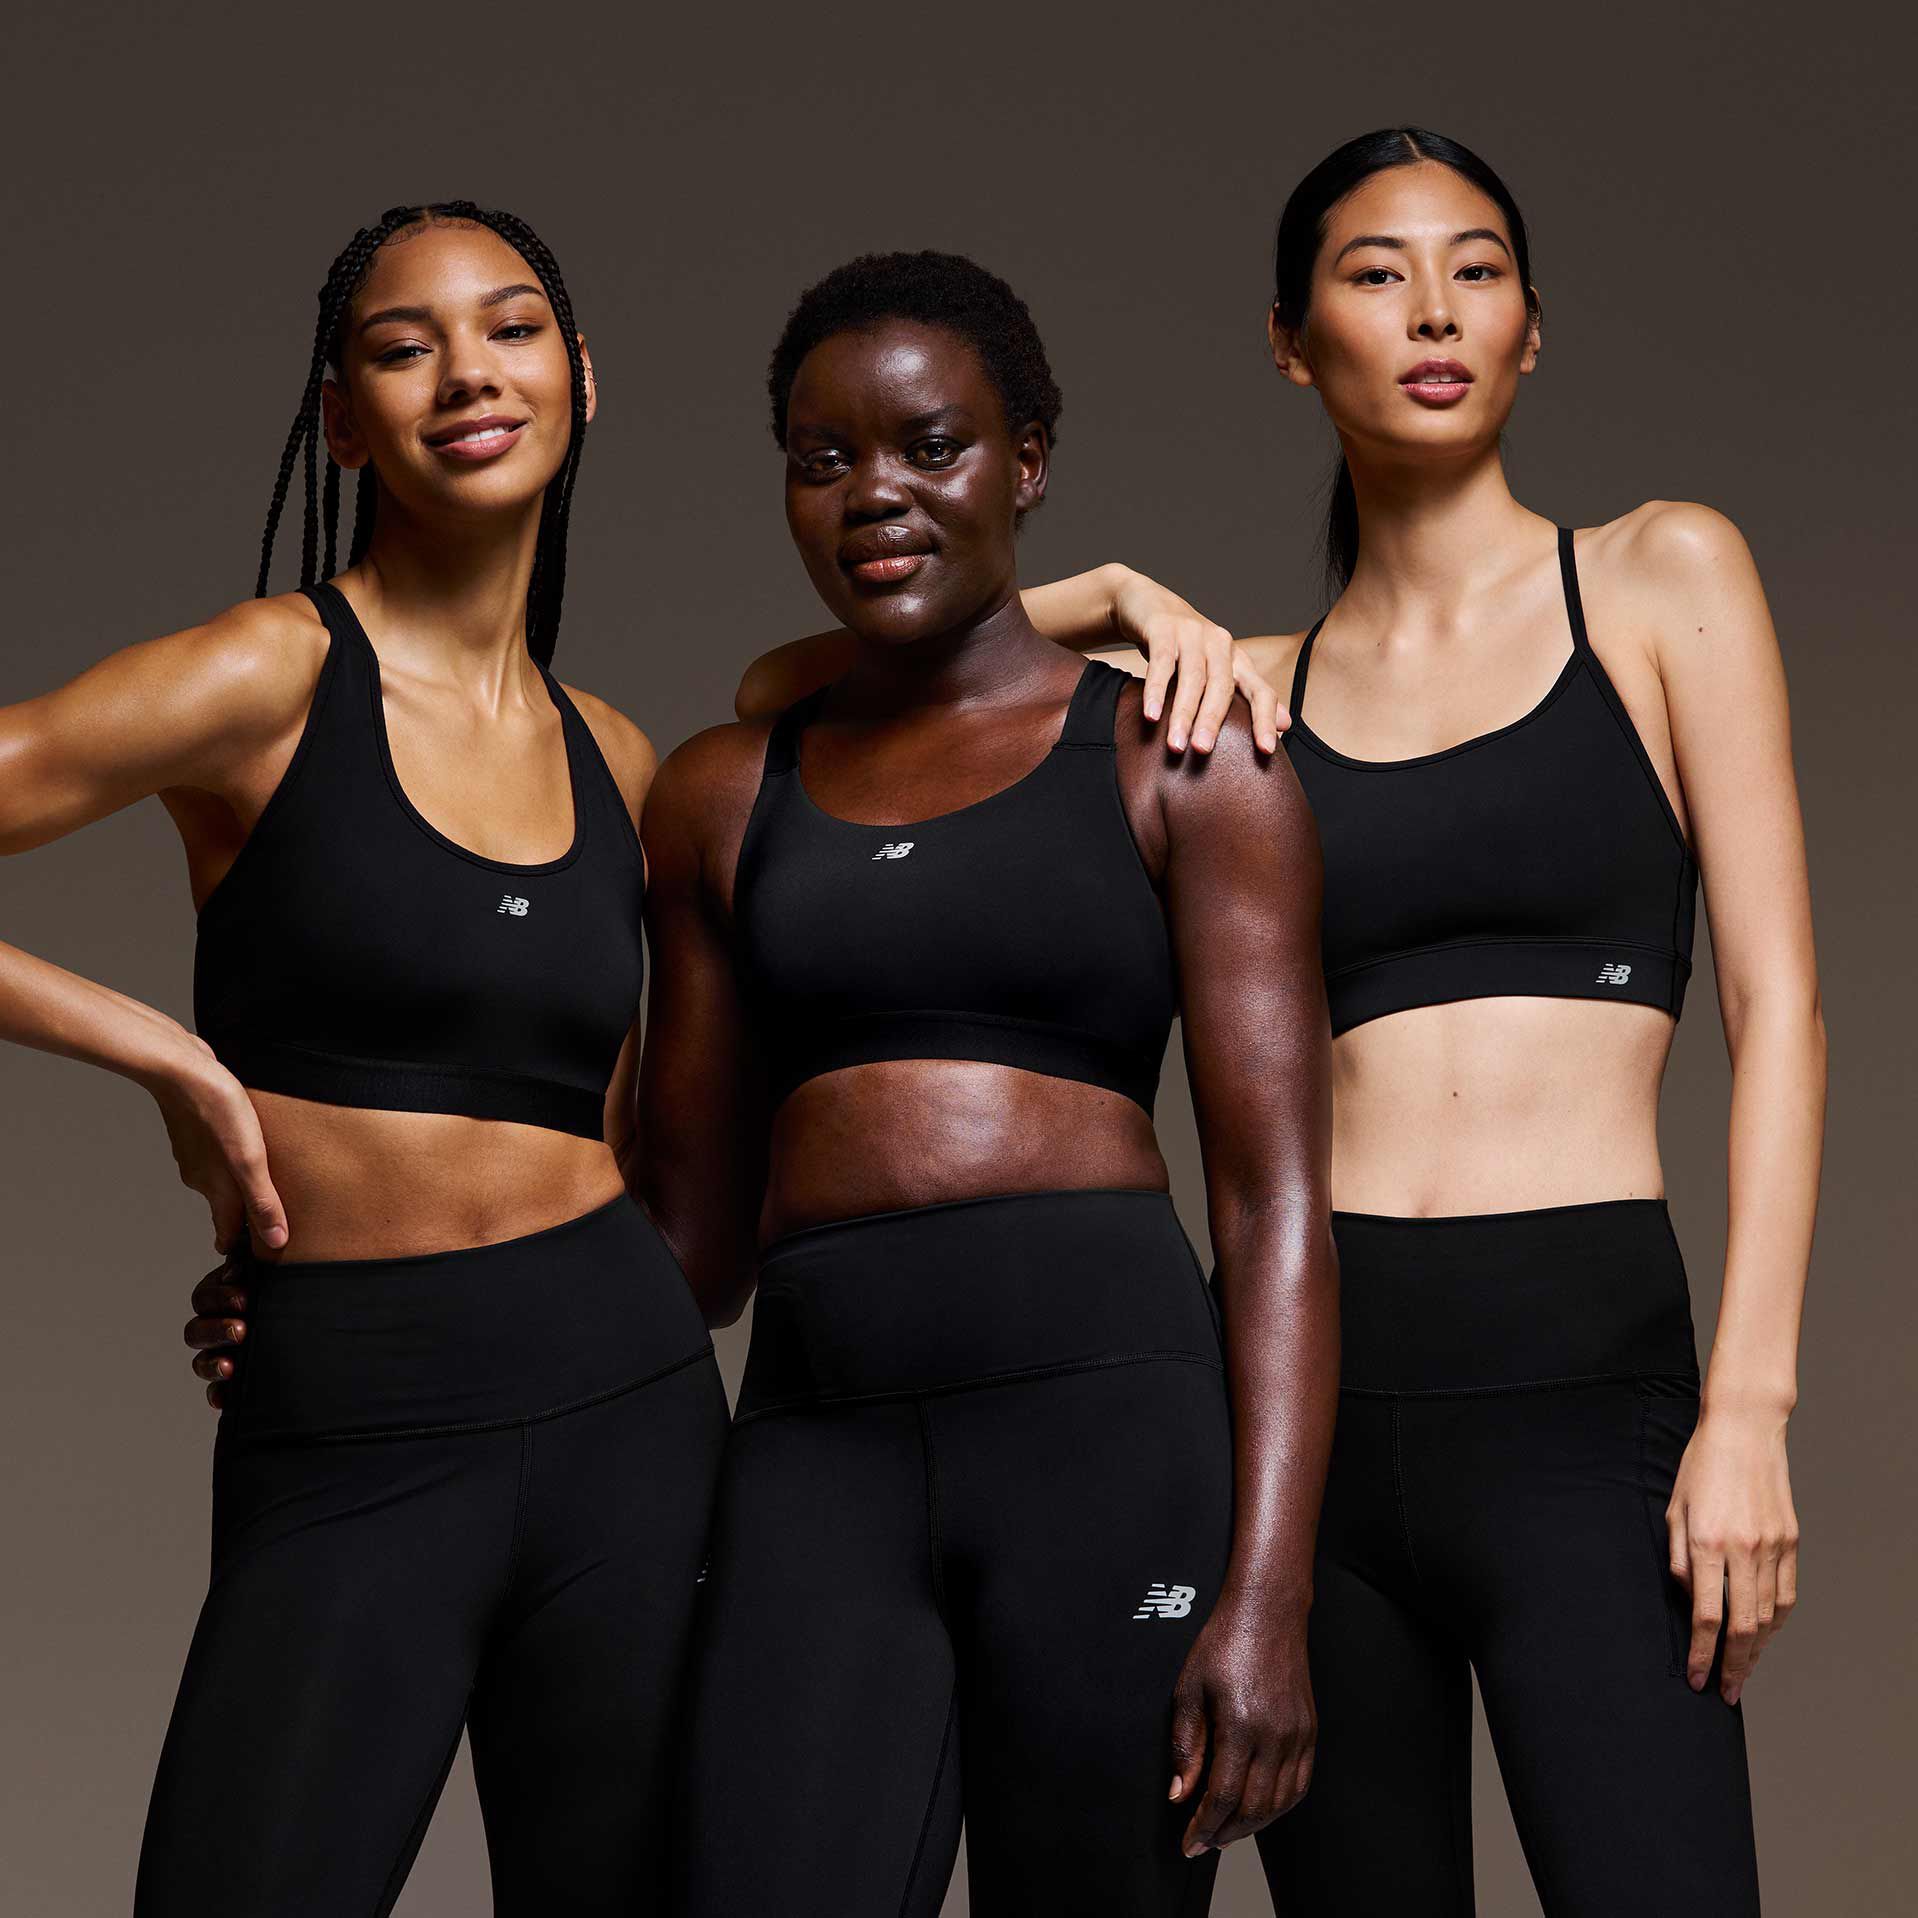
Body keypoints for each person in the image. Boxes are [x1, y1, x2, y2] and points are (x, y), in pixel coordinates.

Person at [640, 250, 1337, 1916]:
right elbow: (689, 1244)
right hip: (817, 1444)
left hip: (1105, 1432)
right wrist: (347, 1279)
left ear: (1026, 459)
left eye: (929, 445)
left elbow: (1276, 1198)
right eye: (823, 461)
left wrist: (1265, 1592)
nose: (873, 494)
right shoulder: (722, 795)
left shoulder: (1188, 759)